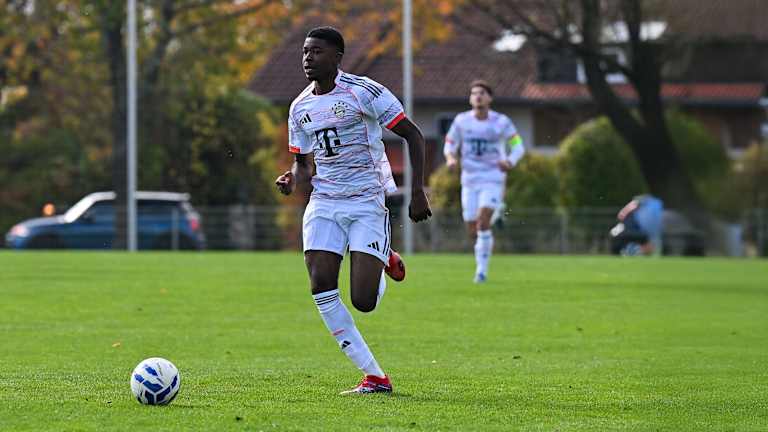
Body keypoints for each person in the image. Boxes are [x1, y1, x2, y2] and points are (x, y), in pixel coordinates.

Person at [275, 27, 431, 394]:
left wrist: (418, 191)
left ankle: (383, 257)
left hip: (366, 202)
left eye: (317, 51)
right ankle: (375, 376)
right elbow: (303, 163)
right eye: (305, 51)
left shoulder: (363, 92)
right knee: (320, 284)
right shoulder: (299, 108)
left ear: (337, 57)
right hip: (324, 202)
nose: (308, 58)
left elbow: (413, 134)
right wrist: (293, 179)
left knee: (363, 301)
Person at [443, 80, 525, 283]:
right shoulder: (461, 121)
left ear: (490, 98)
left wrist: (510, 161)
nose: (478, 96)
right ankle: (497, 213)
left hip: (492, 177)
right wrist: (451, 158)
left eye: (482, 93)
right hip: (469, 179)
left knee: (482, 220)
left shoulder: (501, 122)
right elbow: (450, 143)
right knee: (472, 227)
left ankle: (481, 271)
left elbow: (518, 145)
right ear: (470, 99)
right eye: (474, 93)